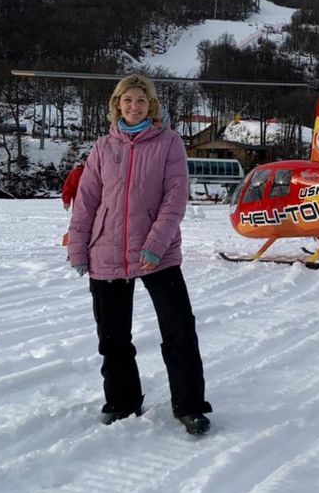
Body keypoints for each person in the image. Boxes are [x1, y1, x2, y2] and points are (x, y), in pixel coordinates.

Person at [67, 74, 212, 435]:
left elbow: (175, 197)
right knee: (113, 336)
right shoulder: (103, 147)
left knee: (179, 330)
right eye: (128, 100)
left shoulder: (169, 143)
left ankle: (189, 405)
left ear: (152, 106)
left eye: (141, 101)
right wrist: (78, 248)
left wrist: (155, 244)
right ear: (117, 104)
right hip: (107, 252)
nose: (134, 106)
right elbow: (86, 202)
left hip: (157, 254)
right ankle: (122, 401)